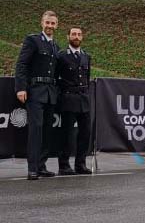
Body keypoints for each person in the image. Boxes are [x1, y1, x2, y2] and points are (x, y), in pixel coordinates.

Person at [15, 10, 61, 180]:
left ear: (57, 25)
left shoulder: (56, 46)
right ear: (42, 23)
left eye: (53, 23)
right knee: (36, 130)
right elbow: (22, 65)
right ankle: (32, 168)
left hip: (50, 93)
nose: (50, 26)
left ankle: (42, 166)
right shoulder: (32, 40)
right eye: (47, 22)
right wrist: (21, 88)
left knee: (47, 132)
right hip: (35, 92)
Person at [56, 26, 92, 175]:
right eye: (73, 34)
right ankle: (64, 165)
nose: (76, 36)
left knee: (85, 132)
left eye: (79, 34)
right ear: (68, 37)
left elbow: (87, 77)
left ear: (82, 37)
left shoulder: (86, 56)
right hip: (68, 98)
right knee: (67, 134)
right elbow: (56, 78)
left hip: (83, 98)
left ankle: (80, 164)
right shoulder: (61, 56)